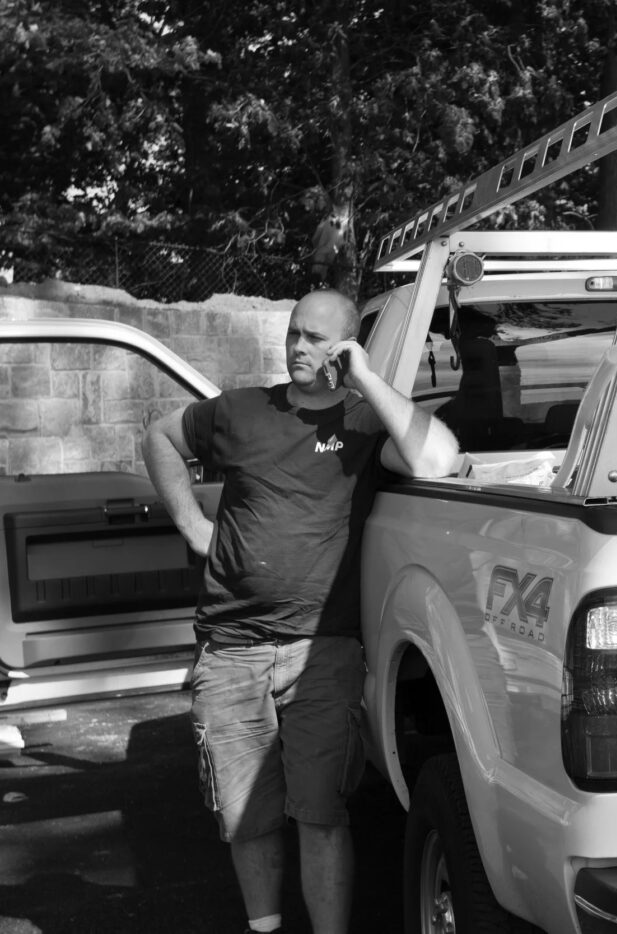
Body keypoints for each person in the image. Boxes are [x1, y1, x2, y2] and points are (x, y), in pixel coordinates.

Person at [142, 289, 460, 934]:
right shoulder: (241, 411)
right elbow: (158, 437)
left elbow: (440, 460)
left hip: (322, 650)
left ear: (345, 345)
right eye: (293, 333)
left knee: (321, 813)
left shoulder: (366, 424)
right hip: (231, 644)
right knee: (246, 816)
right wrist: (193, 524)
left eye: (316, 338)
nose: (297, 347)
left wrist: (368, 380)